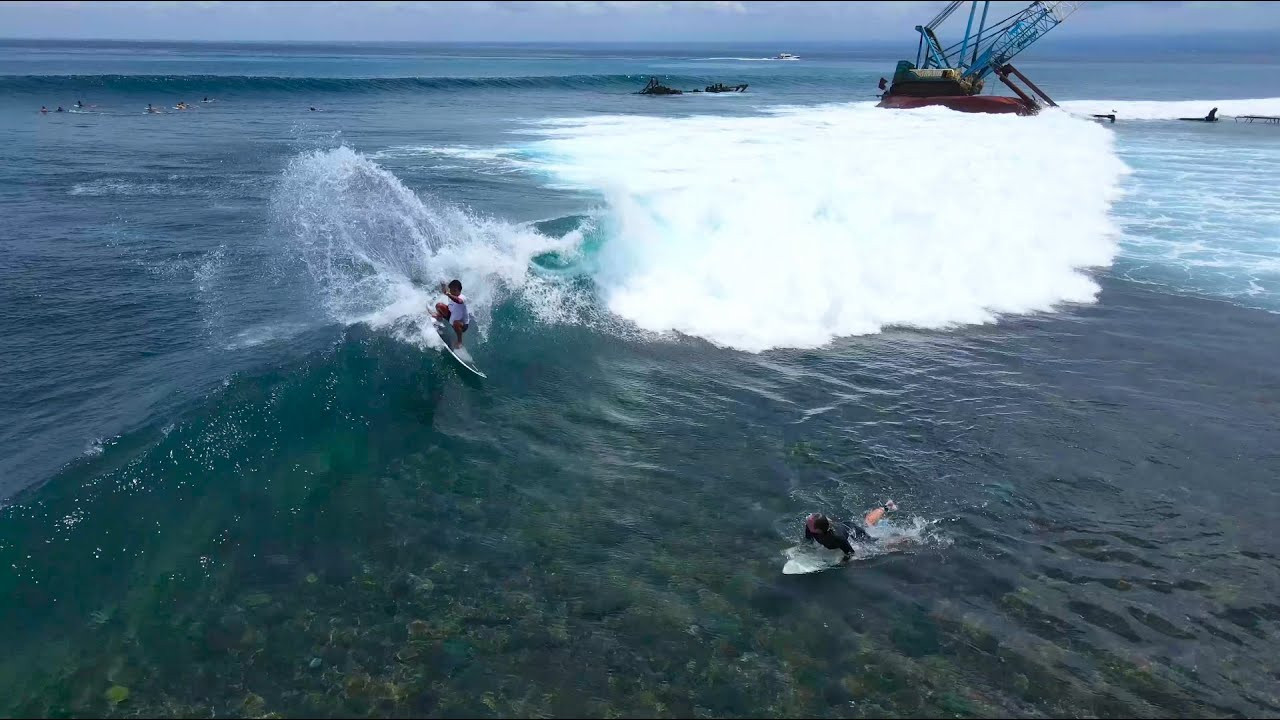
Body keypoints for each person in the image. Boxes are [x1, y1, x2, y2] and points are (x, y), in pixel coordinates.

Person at [805, 500, 897, 559]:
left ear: (819, 530)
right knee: (867, 524)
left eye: (809, 523)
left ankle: (905, 537)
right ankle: (886, 507)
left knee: (874, 543)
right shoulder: (810, 527)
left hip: (852, 530)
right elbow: (808, 540)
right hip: (842, 526)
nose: (807, 522)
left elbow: (850, 553)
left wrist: (843, 562)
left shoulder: (837, 538)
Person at [430, 279, 469, 349]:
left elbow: (459, 301)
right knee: (439, 305)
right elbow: (446, 291)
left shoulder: (462, 297)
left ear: (459, 290)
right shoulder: (451, 294)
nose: (453, 292)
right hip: (451, 318)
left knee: (456, 323)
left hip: (462, 325)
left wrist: (448, 294)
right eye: (452, 290)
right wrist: (443, 284)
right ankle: (439, 317)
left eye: (455, 291)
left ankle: (459, 341)